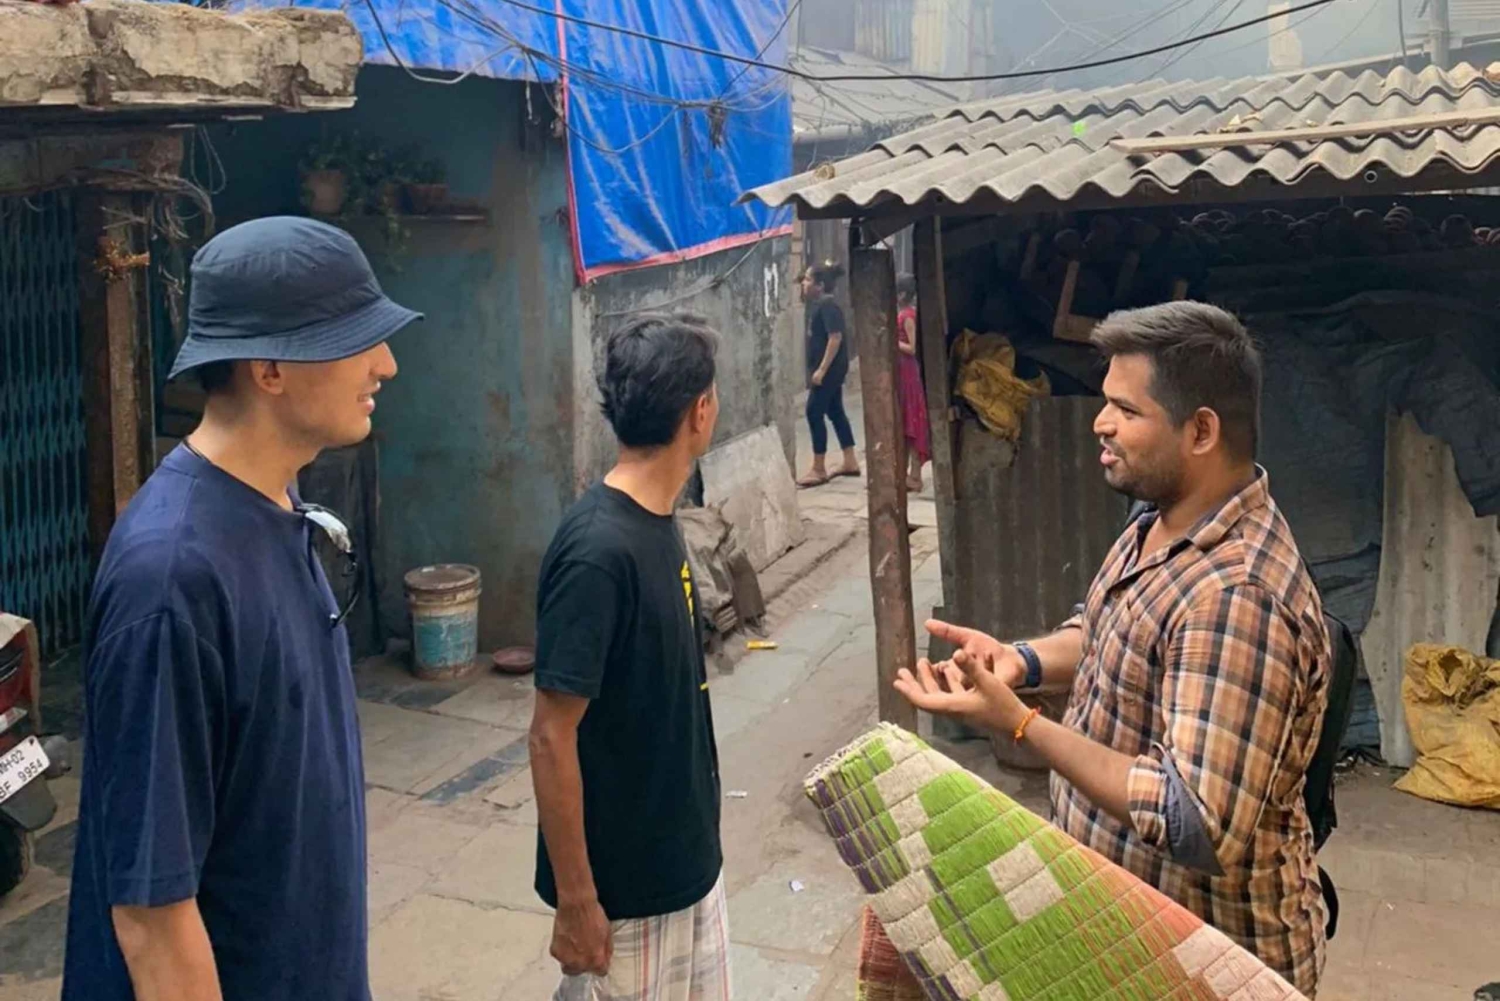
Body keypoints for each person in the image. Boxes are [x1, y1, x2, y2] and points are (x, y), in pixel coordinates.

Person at [895, 301, 1331, 997]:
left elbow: (1194, 821)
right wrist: (1022, 661)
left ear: (1202, 431)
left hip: (1207, 965)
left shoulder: (1237, 597)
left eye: (1125, 410)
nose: (1100, 423)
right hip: (1128, 932)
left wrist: (1021, 722)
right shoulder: (1159, 520)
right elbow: (1104, 629)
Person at [62, 217, 419, 1001]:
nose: (386, 364)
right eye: (360, 339)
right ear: (270, 368)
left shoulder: (280, 502)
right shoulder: (173, 577)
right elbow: (152, 913)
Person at [531, 313, 728, 1001]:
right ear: (699, 411)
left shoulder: (657, 518)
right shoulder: (597, 551)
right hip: (627, 903)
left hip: (688, 871)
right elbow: (551, 732)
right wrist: (577, 899)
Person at [798, 261, 859, 487]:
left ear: (820, 285)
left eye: (807, 279)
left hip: (829, 371)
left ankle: (818, 468)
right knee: (835, 411)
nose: (803, 283)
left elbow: (835, 338)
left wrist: (822, 370)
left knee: (813, 411)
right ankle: (850, 460)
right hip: (831, 370)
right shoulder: (820, 305)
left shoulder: (827, 306)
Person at [895, 273, 930, 493]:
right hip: (903, 372)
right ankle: (909, 473)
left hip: (908, 372)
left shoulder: (908, 315)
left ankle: (915, 476)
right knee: (907, 425)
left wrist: (892, 340)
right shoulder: (904, 313)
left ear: (902, 294)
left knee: (913, 424)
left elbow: (912, 347)